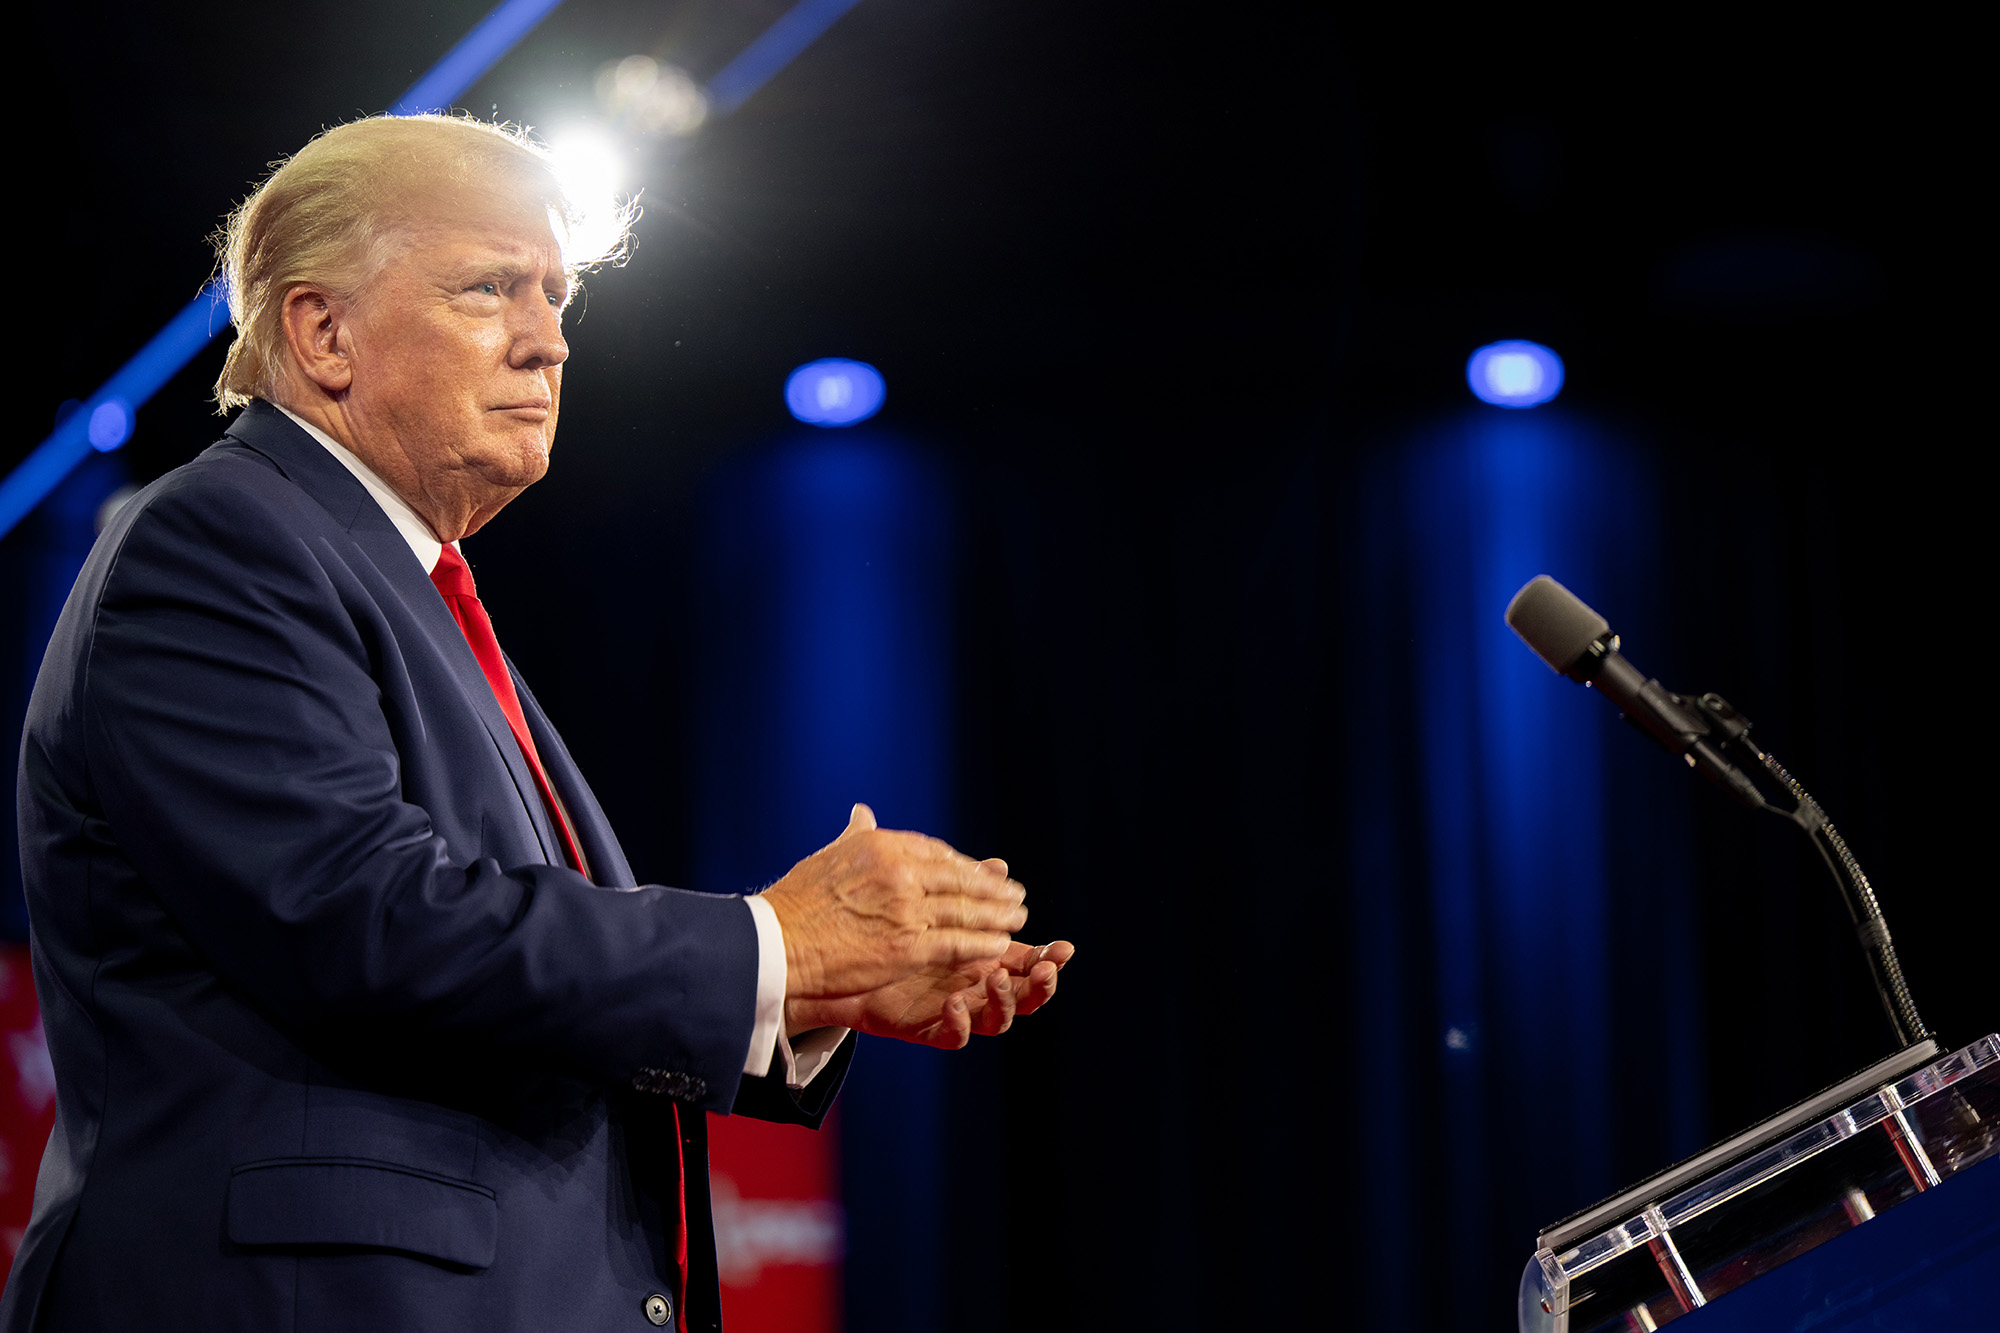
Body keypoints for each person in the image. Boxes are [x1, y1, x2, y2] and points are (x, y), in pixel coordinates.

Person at [0, 114, 1073, 1333]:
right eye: (489, 289)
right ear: (322, 330)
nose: (548, 341)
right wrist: (770, 947)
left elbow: (496, 977)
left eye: (556, 296)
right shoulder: (217, 543)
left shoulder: (407, 586)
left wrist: (810, 992)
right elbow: (363, 918)